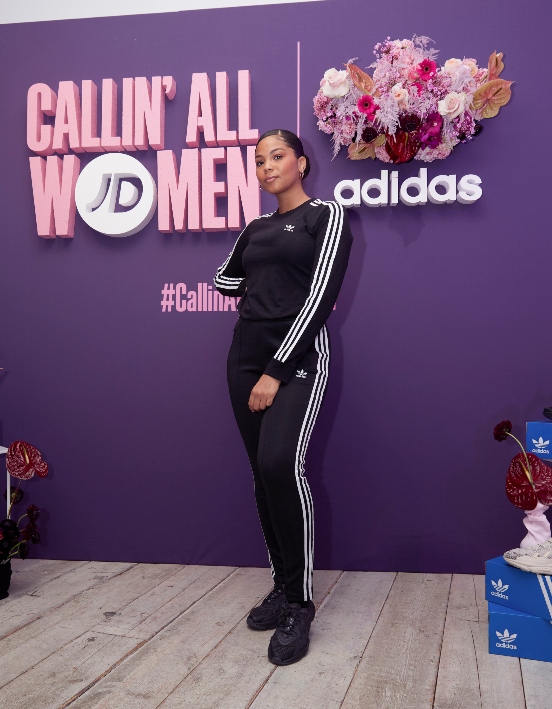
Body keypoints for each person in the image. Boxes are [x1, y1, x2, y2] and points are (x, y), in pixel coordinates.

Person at [214, 129, 353, 665]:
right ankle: (281, 583)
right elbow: (225, 279)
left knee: (280, 465)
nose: (267, 167)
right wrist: (257, 289)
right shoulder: (256, 227)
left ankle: (299, 603)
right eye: (259, 161)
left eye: (277, 157)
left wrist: (275, 370)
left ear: (301, 162)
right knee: (261, 472)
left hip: (296, 361)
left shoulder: (326, 216)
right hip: (243, 358)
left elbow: (321, 296)